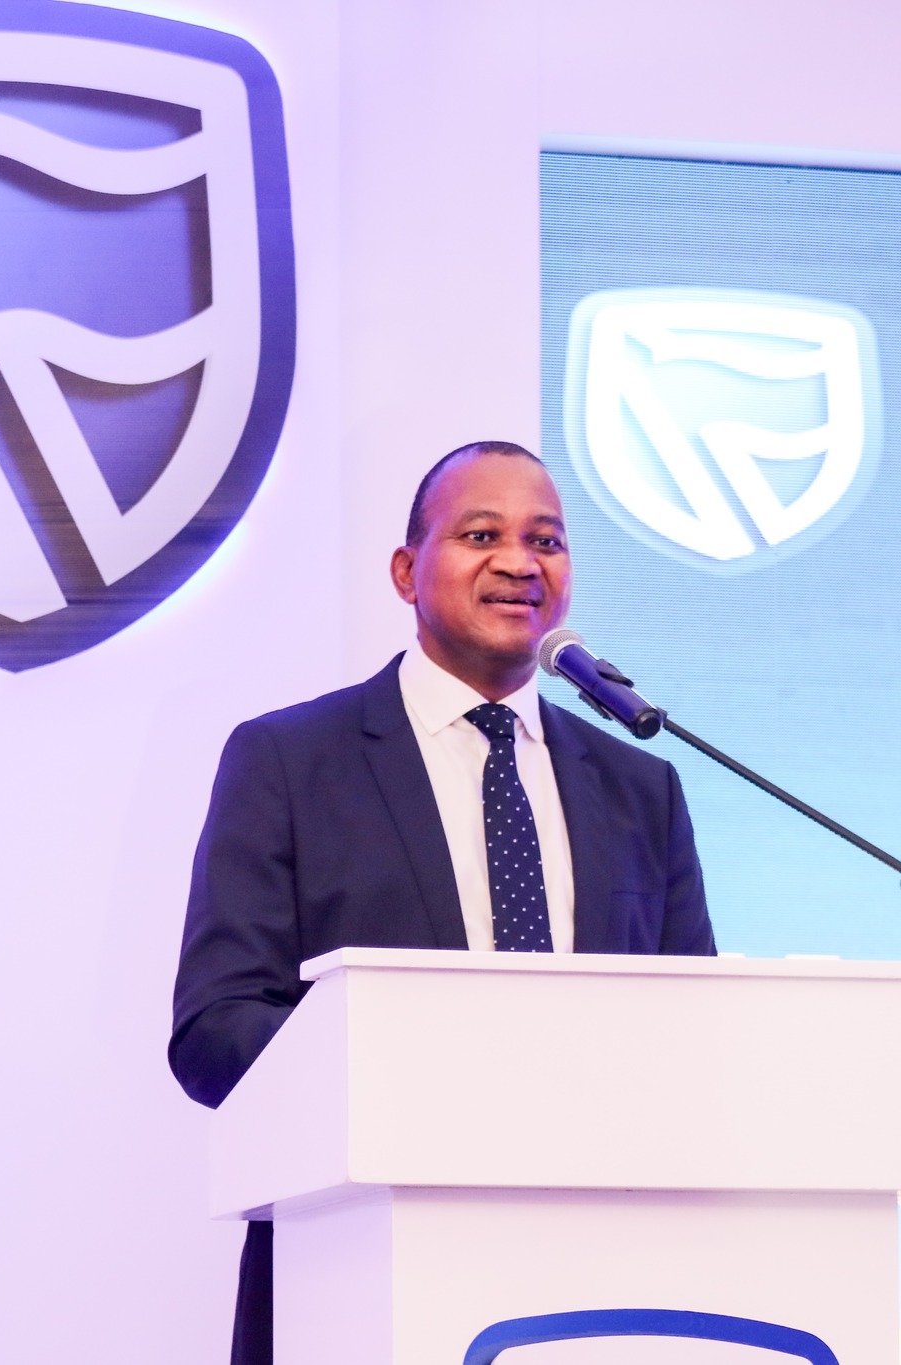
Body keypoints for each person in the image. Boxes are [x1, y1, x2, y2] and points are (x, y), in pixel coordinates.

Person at [168, 440, 716, 1365]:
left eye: (546, 540)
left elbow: (696, 1037)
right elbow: (215, 1028)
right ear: (405, 571)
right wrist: (429, 1077)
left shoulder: (640, 788)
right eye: (480, 535)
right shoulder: (291, 762)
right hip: (356, 1276)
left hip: (601, 1287)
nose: (519, 562)